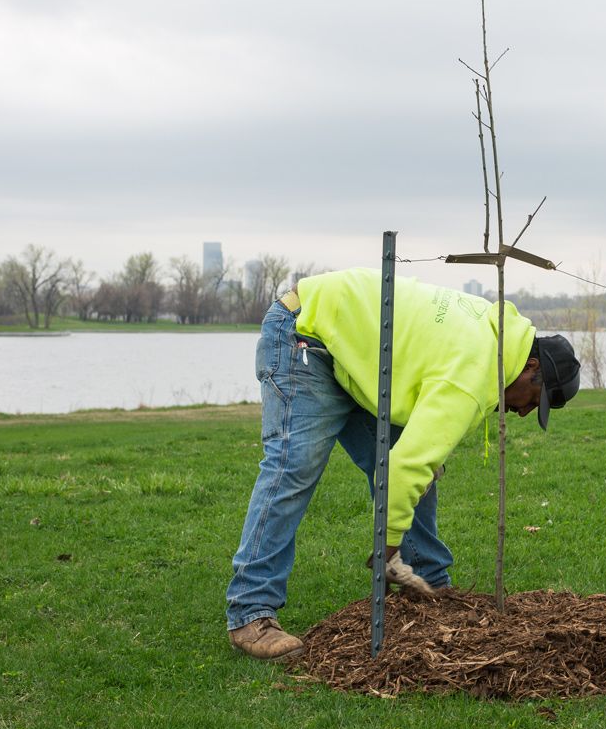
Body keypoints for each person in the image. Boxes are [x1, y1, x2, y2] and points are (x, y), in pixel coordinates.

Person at [226, 268, 581, 661]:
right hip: (307, 333)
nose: (525, 412)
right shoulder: (475, 371)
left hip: (357, 355)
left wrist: (419, 469)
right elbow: (403, 469)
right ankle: (250, 612)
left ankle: (429, 584)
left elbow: (414, 459)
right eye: (534, 400)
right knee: (294, 468)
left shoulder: (498, 340)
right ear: (530, 367)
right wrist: (387, 552)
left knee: (422, 470)